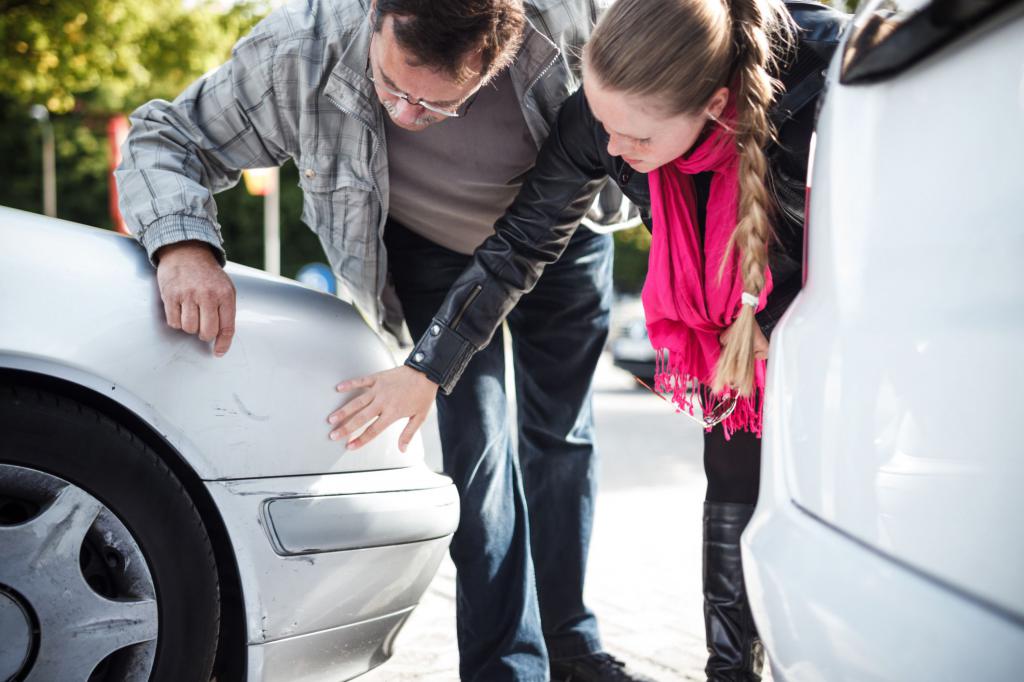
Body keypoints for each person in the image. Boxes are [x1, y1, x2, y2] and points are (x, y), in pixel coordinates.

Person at [114, 1, 657, 680]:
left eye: (437, 106)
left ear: (499, 53)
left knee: (560, 439)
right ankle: (507, 668)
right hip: (435, 251)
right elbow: (163, 136)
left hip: (559, 236)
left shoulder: (571, 23)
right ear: (377, 16)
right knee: (478, 454)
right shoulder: (300, 49)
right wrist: (183, 244)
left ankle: (571, 645)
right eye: (392, 86)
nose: (406, 115)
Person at [333, 0, 848, 679]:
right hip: (727, 327)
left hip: (836, 320)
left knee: (834, 493)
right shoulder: (602, 122)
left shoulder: (824, 89)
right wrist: (428, 366)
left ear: (716, 105)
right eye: (603, 124)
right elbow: (520, 244)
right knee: (731, 471)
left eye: (633, 138)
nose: (609, 150)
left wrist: (791, 330)